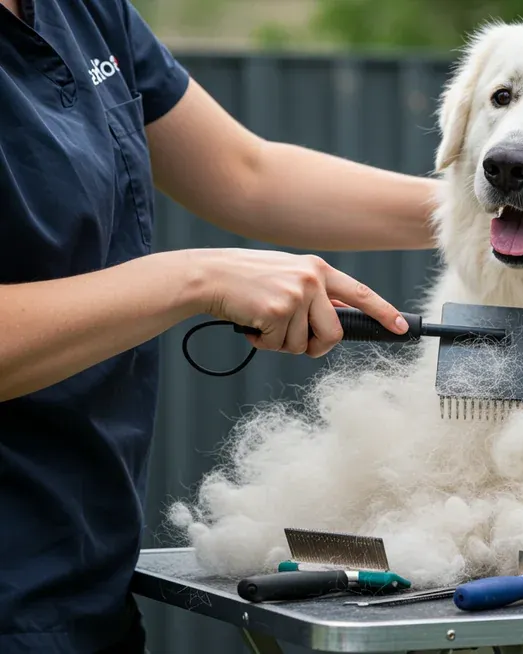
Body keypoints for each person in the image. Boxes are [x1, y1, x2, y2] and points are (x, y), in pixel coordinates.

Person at [0, 0, 443, 650]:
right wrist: (198, 280)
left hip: (82, 573)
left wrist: (495, 210)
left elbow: (246, 174)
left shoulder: (84, 12)